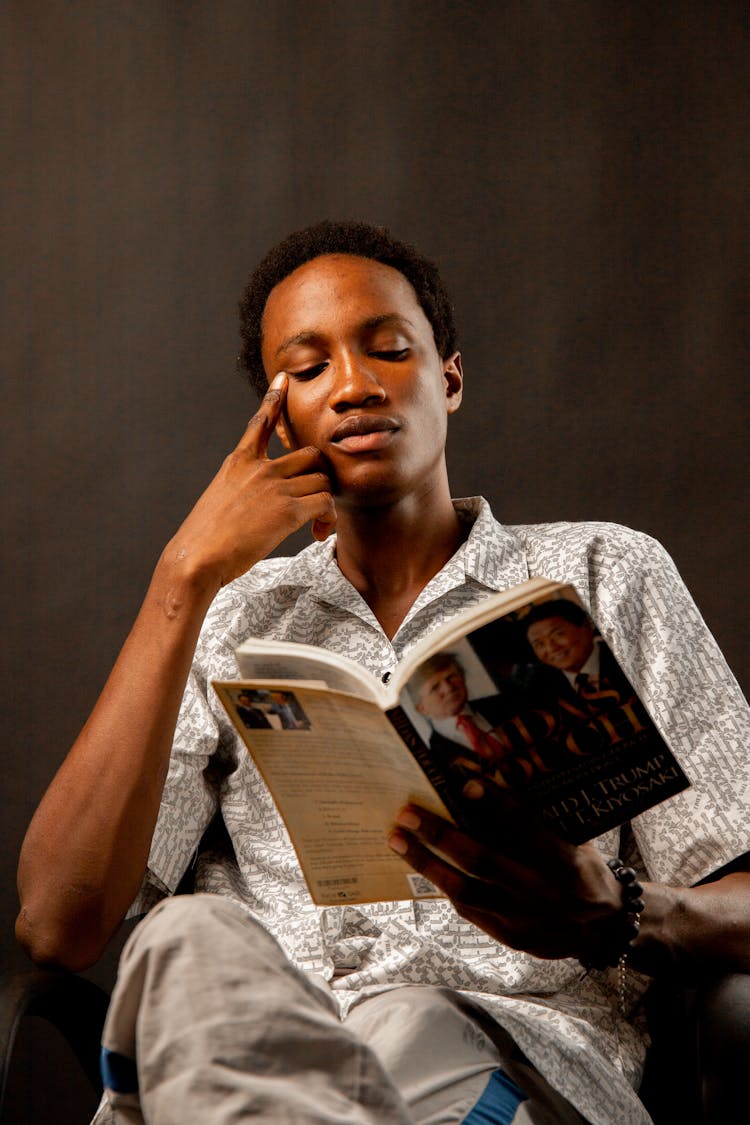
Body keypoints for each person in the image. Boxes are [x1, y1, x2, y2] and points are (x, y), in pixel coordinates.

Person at [15, 220, 750, 1125]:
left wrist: (620, 910)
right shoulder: (233, 613)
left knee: (404, 1023)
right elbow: (58, 924)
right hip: (247, 1071)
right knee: (184, 940)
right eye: (310, 367)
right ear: (276, 419)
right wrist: (182, 580)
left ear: (449, 377)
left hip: (500, 1071)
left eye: (389, 350)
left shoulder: (606, 574)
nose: (356, 385)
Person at [410, 651, 520, 778]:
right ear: (421, 708)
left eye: (451, 677)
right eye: (435, 687)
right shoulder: (430, 759)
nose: (448, 688)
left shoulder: (506, 704)